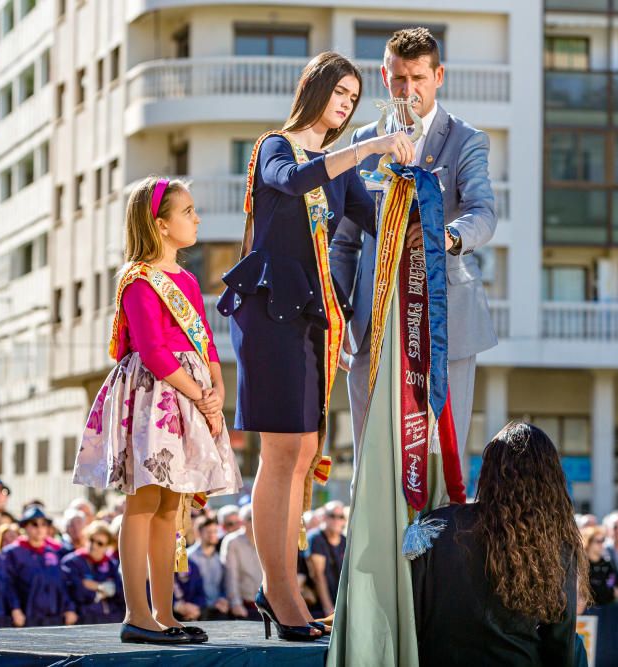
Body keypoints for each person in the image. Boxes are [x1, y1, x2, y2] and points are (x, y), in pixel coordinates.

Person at [215, 50, 399, 641]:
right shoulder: (276, 145)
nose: (345, 104)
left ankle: (284, 590)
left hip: (315, 320)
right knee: (281, 453)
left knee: (302, 455)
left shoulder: (340, 168)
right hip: (269, 311)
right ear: (314, 89)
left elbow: (379, 224)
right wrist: (369, 148)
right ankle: (279, 592)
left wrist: (432, 216)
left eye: (352, 97)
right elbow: (293, 181)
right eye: (338, 92)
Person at [73, 176, 241, 646]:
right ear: (161, 224)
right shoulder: (139, 280)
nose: (197, 218)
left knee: (172, 504)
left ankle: (164, 614)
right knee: (144, 500)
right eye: (187, 211)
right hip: (155, 395)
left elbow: (205, 339)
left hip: (191, 392)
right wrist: (198, 392)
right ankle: (137, 613)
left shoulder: (187, 278)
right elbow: (153, 351)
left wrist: (217, 387)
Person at [331, 27, 498, 486]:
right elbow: (343, 242)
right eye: (399, 79)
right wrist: (340, 311)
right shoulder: (361, 143)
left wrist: (444, 238)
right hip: (373, 324)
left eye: (418, 78)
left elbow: (484, 212)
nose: (409, 90)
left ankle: (438, 558)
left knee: (443, 462)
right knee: (372, 462)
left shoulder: (466, 140)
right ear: (385, 77)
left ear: (438, 75)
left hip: (449, 322)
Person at [411, 423, 588, 666]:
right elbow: (560, 643)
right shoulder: (557, 544)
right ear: (551, 479)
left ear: (488, 471)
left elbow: (410, 618)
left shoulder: (436, 526)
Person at [3, 505, 76, 628]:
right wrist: (14, 608)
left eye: (43, 524)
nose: (39, 528)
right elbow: (8, 584)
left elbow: (62, 583)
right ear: (24, 527)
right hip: (26, 618)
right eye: (34, 524)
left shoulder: (53, 552)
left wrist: (69, 608)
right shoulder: (12, 552)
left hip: (54, 617)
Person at [61, 520, 124, 622]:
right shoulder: (71, 562)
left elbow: (120, 591)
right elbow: (78, 592)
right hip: (84, 620)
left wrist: (97, 587)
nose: (94, 545)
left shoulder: (112, 564)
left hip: (111, 619)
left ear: (107, 546)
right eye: (91, 540)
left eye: (100, 543)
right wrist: (104, 590)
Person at [304, 500, 346, 617]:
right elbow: (318, 575)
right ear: (324, 517)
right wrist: (329, 609)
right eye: (332, 515)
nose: (336, 520)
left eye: (341, 516)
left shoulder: (345, 541)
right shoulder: (315, 538)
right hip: (318, 606)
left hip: (338, 602)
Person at [221, 504, 262, 622]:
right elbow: (231, 576)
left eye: (258, 517)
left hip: (266, 605)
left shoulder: (267, 540)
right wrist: (236, 603)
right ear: (242, 522)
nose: (255, 521)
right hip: (244, 605)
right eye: (251, 518)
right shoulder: (232, 541)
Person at [187, 516, 231, 619]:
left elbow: (223, 585)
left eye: (215, 531)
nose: (213, 535)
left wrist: (223, 598)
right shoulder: (188, 557)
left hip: (218, 610)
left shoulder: (219, 558)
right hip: (196, 612)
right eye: (209, 532)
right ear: (199, 533)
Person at [582, 526, 618, 606]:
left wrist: (608, 590)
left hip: (606, 610)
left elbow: (617, 588)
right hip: (587, 611)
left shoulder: (607, 563)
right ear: (588, 543)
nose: (602, 544)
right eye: (598, 541)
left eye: (603, 540)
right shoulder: (580, 565)